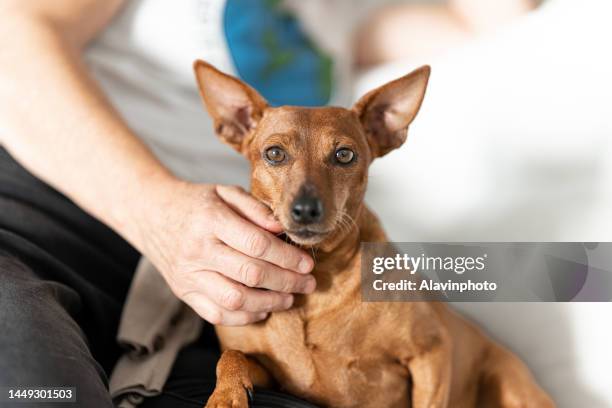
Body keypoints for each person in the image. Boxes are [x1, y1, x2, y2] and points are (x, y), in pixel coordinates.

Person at [0, 0, 537, 406]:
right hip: (51, 222)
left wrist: (579, 270)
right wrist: (156, 213)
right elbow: (11, 38)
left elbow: (497, 17)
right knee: (39, 392)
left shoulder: (344, 15)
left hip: (239, 290)